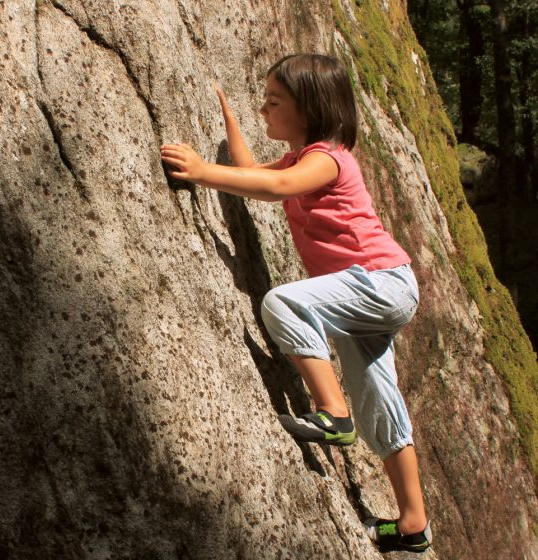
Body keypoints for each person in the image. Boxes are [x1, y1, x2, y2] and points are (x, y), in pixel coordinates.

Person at [159, 53, 432, 553]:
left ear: (308, 110)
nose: (264, 110)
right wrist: (226, 118)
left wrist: (201, 171)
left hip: (379, 280)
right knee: (380, 399)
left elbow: (277, 187)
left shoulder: (329, 158)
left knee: (283, 304)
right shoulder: (297, 160)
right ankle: (413, 523)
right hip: (367, 293)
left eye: (273, 101)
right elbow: (252, 173)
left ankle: (333, 413)